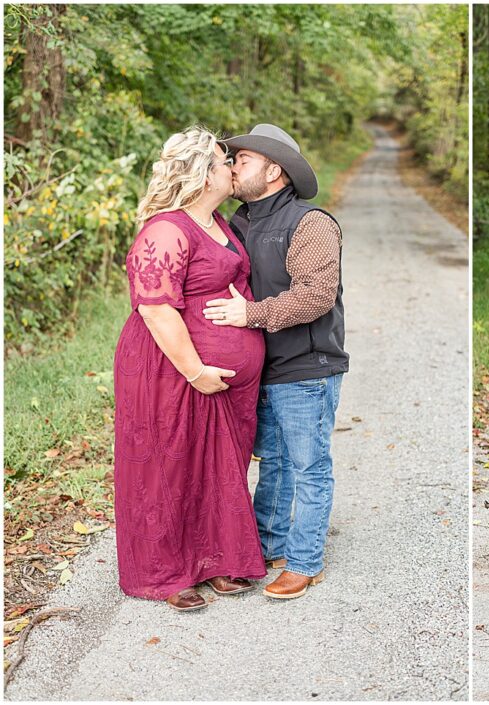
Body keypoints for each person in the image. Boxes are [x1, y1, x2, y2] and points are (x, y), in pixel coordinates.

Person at [113, 127, 267, 611]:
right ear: (203, 174)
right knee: (169, 464)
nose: (232, 169)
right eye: (226, 162)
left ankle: (216, 561)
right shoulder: (166, 230)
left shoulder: (219, 222)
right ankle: (165, 573)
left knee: (217, 465)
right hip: (171, 369)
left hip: (222, 375)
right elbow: (156, 310)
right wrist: (196, 370)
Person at [202, 124, 346, 600]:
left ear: (273, 170)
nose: (233, 166)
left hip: (307, 365)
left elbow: (316, 297)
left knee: (308, 465)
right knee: (275, 463)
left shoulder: (312, 223)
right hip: (260, 367)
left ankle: (305, 562)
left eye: (242, 159)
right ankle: (268, 547)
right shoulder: (235, 224)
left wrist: (251, 314)